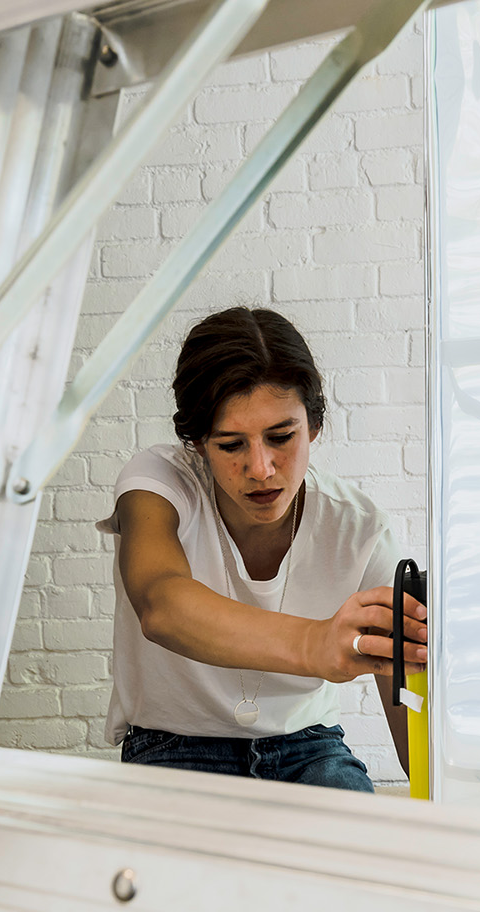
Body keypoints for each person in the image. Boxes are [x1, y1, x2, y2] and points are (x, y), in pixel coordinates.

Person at [102, 306, 427, 792]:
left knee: (361, 854)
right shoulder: (157, 484)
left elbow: (412, 716)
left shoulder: (358, 528)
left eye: (281, 437)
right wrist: (316, 644)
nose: (261, 468)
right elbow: (161, 605)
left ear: (314, 426)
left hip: (308, 745)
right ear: (196, 443)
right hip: (174, 745)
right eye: (231, 445)